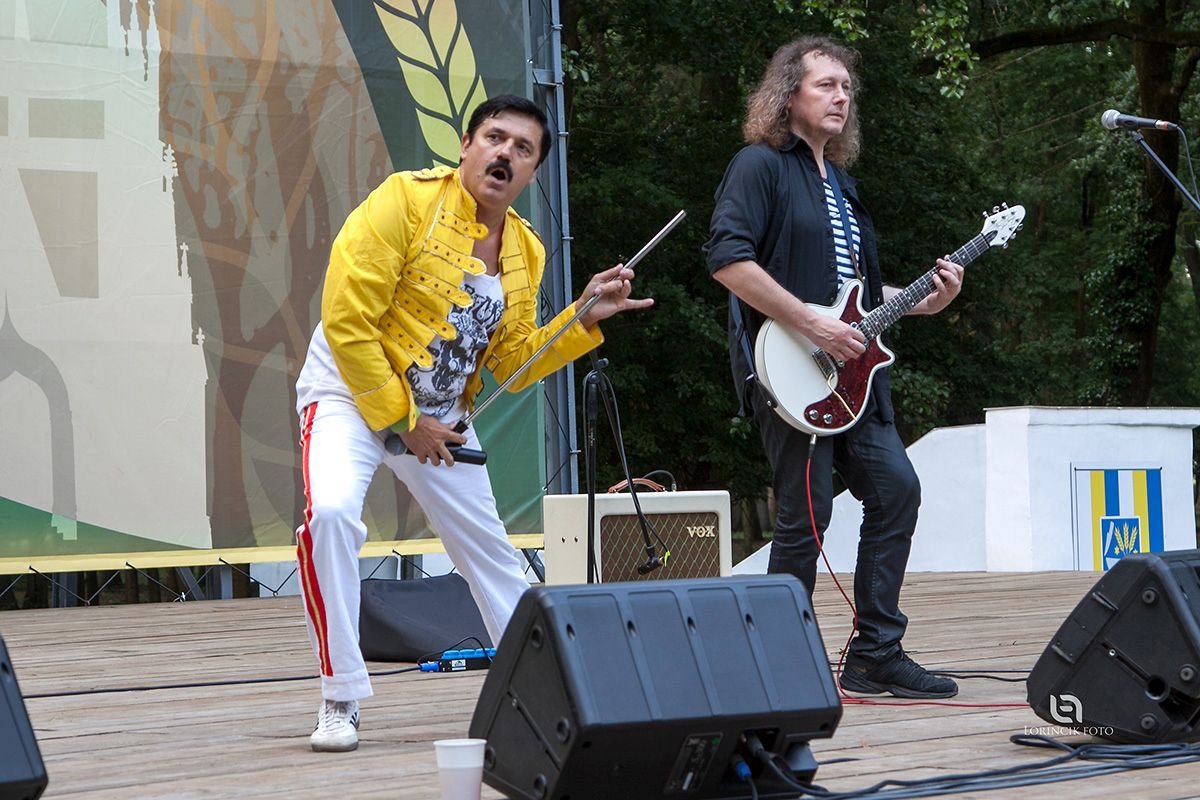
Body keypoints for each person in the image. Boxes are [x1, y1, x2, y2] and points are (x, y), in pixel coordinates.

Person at [294, 95, 652, 751]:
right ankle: (340, 694)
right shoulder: (403, 202)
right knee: (333, 516)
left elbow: (512, 365)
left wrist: (580, 318)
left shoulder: (525, 250)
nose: (505, 153)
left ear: (533, 172)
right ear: (466, 145)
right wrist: (404, 421)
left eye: (523, 148)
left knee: (492, 557)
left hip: (441, 416)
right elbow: (347, 322)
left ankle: (550, 695)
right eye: (495, 137)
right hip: (350, 392)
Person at [703, 37, 964, 699]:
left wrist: (924, 301)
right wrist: (809, 323)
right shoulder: (759, 166)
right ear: (787, 93)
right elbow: (728, 261)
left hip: (853, 379)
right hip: (789, 369)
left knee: (896, 488)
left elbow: (857, 297)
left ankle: (875, 655)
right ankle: (776, 666)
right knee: (806, 514)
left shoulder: (843, 186)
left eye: (847, 87)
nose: (841, 96)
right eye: (826, 84)